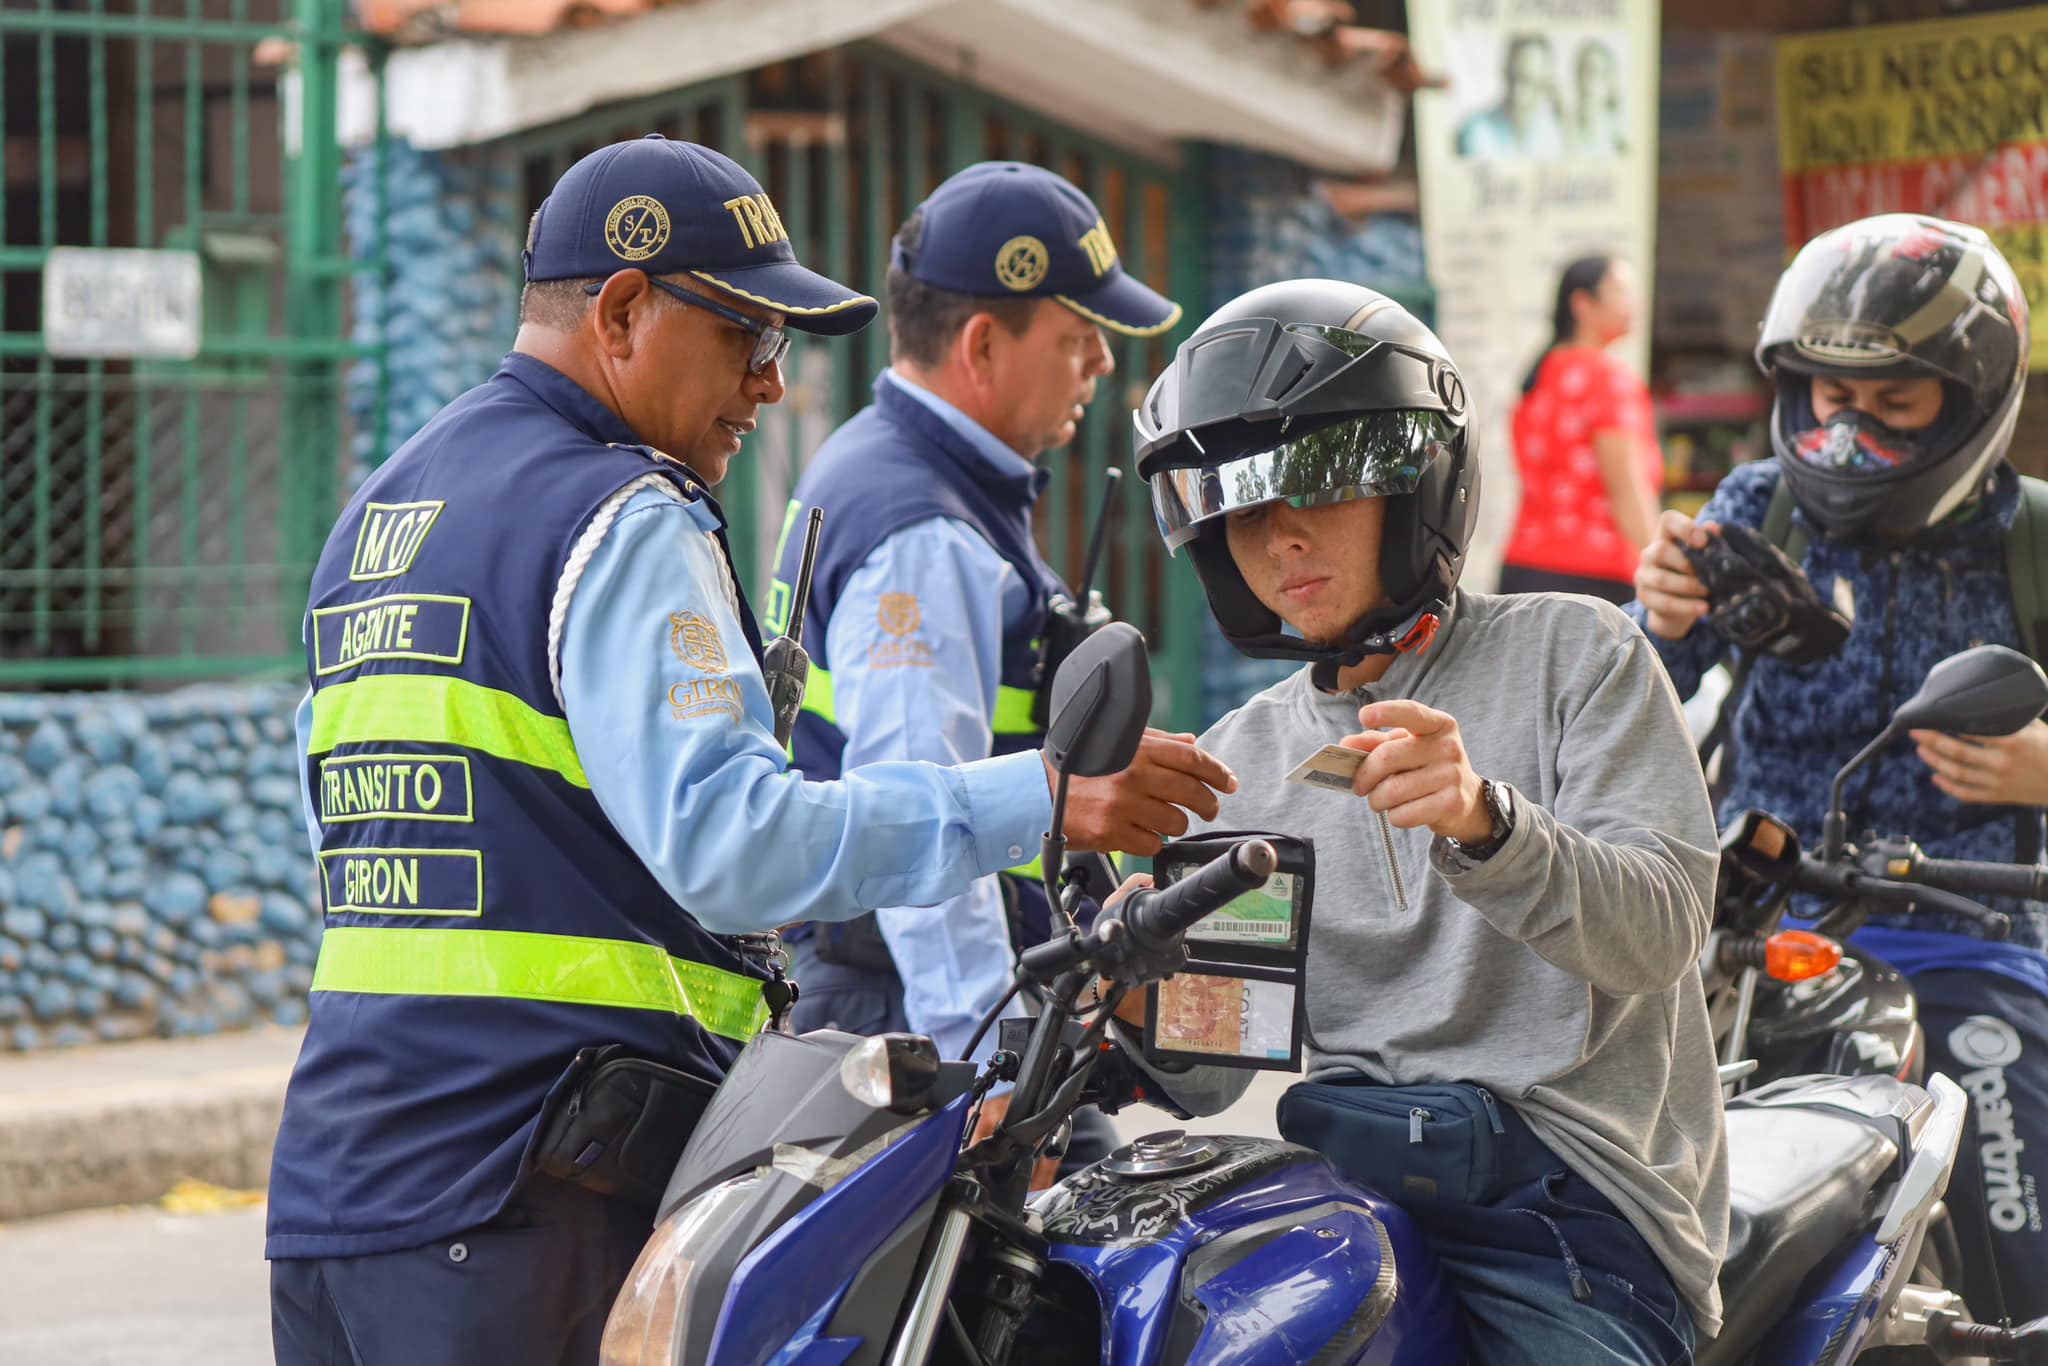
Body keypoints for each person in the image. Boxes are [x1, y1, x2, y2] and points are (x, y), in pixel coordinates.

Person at [266, 136, 1235, 1366]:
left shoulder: (384, 511)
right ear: (622, 311)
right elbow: (734, 843)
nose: (771, 385)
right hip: (530, 1191)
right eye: (746, 338)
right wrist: (1037, 797)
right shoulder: (617, 513)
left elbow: (344, 833)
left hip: (340, 1190)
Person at [1133, 278, 1727, 1362]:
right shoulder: (1234, 760)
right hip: (1338, 1203)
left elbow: (1664, 933)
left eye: (1316, 484)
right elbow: (1214, 1069)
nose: (1280, 539)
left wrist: (1488, 825)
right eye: (1243, 507)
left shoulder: (1577, 653)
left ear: (1419, 484)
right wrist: (1136, 988)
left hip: (1562, 1215)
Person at [1632, 212, 2048, 1323]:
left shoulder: (2033, 541)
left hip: (1966, 929)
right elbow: (1626, 702)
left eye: (1892, 402)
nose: (1848, 430)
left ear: (1970, 401)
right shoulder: (1752, 504)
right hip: (1746, 931)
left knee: (2018, 1250)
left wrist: (2039, 772)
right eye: (1827, 396)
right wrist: (1657, 613)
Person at [768, 161, 1186, 1170]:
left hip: (891, 995)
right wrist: (991, 1080)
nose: (1097, 363)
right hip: (915, 1013)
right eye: (1075, 335)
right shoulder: (924, 529)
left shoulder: (891, 468)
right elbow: (919, 815)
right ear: (982, 344)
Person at [1500, 254, 1663, 604]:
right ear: (1582, 304)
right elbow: (1626, 491)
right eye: (1621, 292)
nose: (1635, 304)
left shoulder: (1536, 378)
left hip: (1522, 568)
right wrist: (1661, 569)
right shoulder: (1606, 377)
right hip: (1594, 579)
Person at [1456, 33, 1565, 160]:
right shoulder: (1476, 131)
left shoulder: (1553, 135)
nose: (1517, 91)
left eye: (1529, 81)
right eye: (1513, 77)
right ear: (1504, 71)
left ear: (1546, 83)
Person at [1566, 40, 1627, 156]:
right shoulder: (1561, 127)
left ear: (1610, 82)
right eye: (1586, 71)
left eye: (1599, 73)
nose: (1590, 80)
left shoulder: (1618, 135)